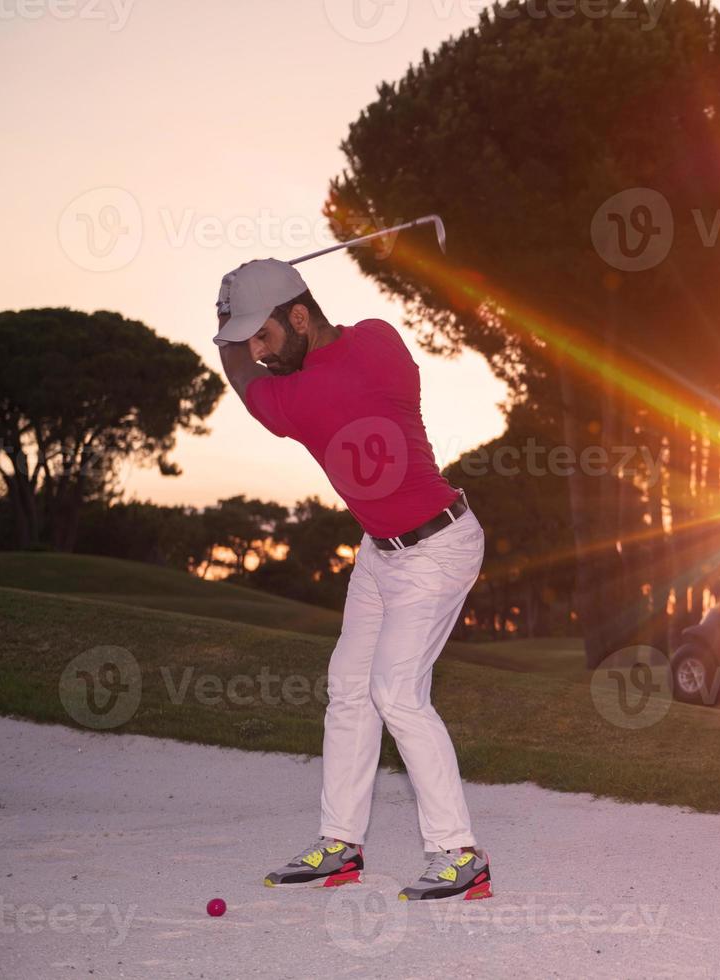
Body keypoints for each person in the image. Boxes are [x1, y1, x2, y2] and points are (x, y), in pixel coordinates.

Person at [213, 258, 492, 902]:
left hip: (438, 549)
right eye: (251, 339)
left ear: (301, 317)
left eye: (265, 336)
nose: (259, 351)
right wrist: (245, 318)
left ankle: (460, 854)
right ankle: (340, 845)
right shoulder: (381, 338)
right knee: (349, 688)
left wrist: (223, 333)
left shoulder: (301, 401)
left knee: (395, 691)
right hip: (381, 551)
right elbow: (342, 341)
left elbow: (244, 380)